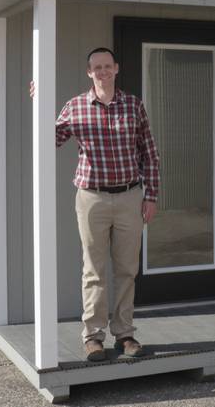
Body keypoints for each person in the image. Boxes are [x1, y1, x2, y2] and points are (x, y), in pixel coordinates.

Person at [36, 47, 159, 361]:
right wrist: (39, 106)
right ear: (89, 72)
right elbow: (49, 141)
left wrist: (151, 195)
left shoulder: (134, 106)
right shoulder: (75, 107)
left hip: (131, 196)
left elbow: (150, 155)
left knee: (127, 269)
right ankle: (93, 338)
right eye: (96, 67)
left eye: (107, 66)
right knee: (94, 270)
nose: (102, 72)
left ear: (116, 68)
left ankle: (125, 334)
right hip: (91, 198)